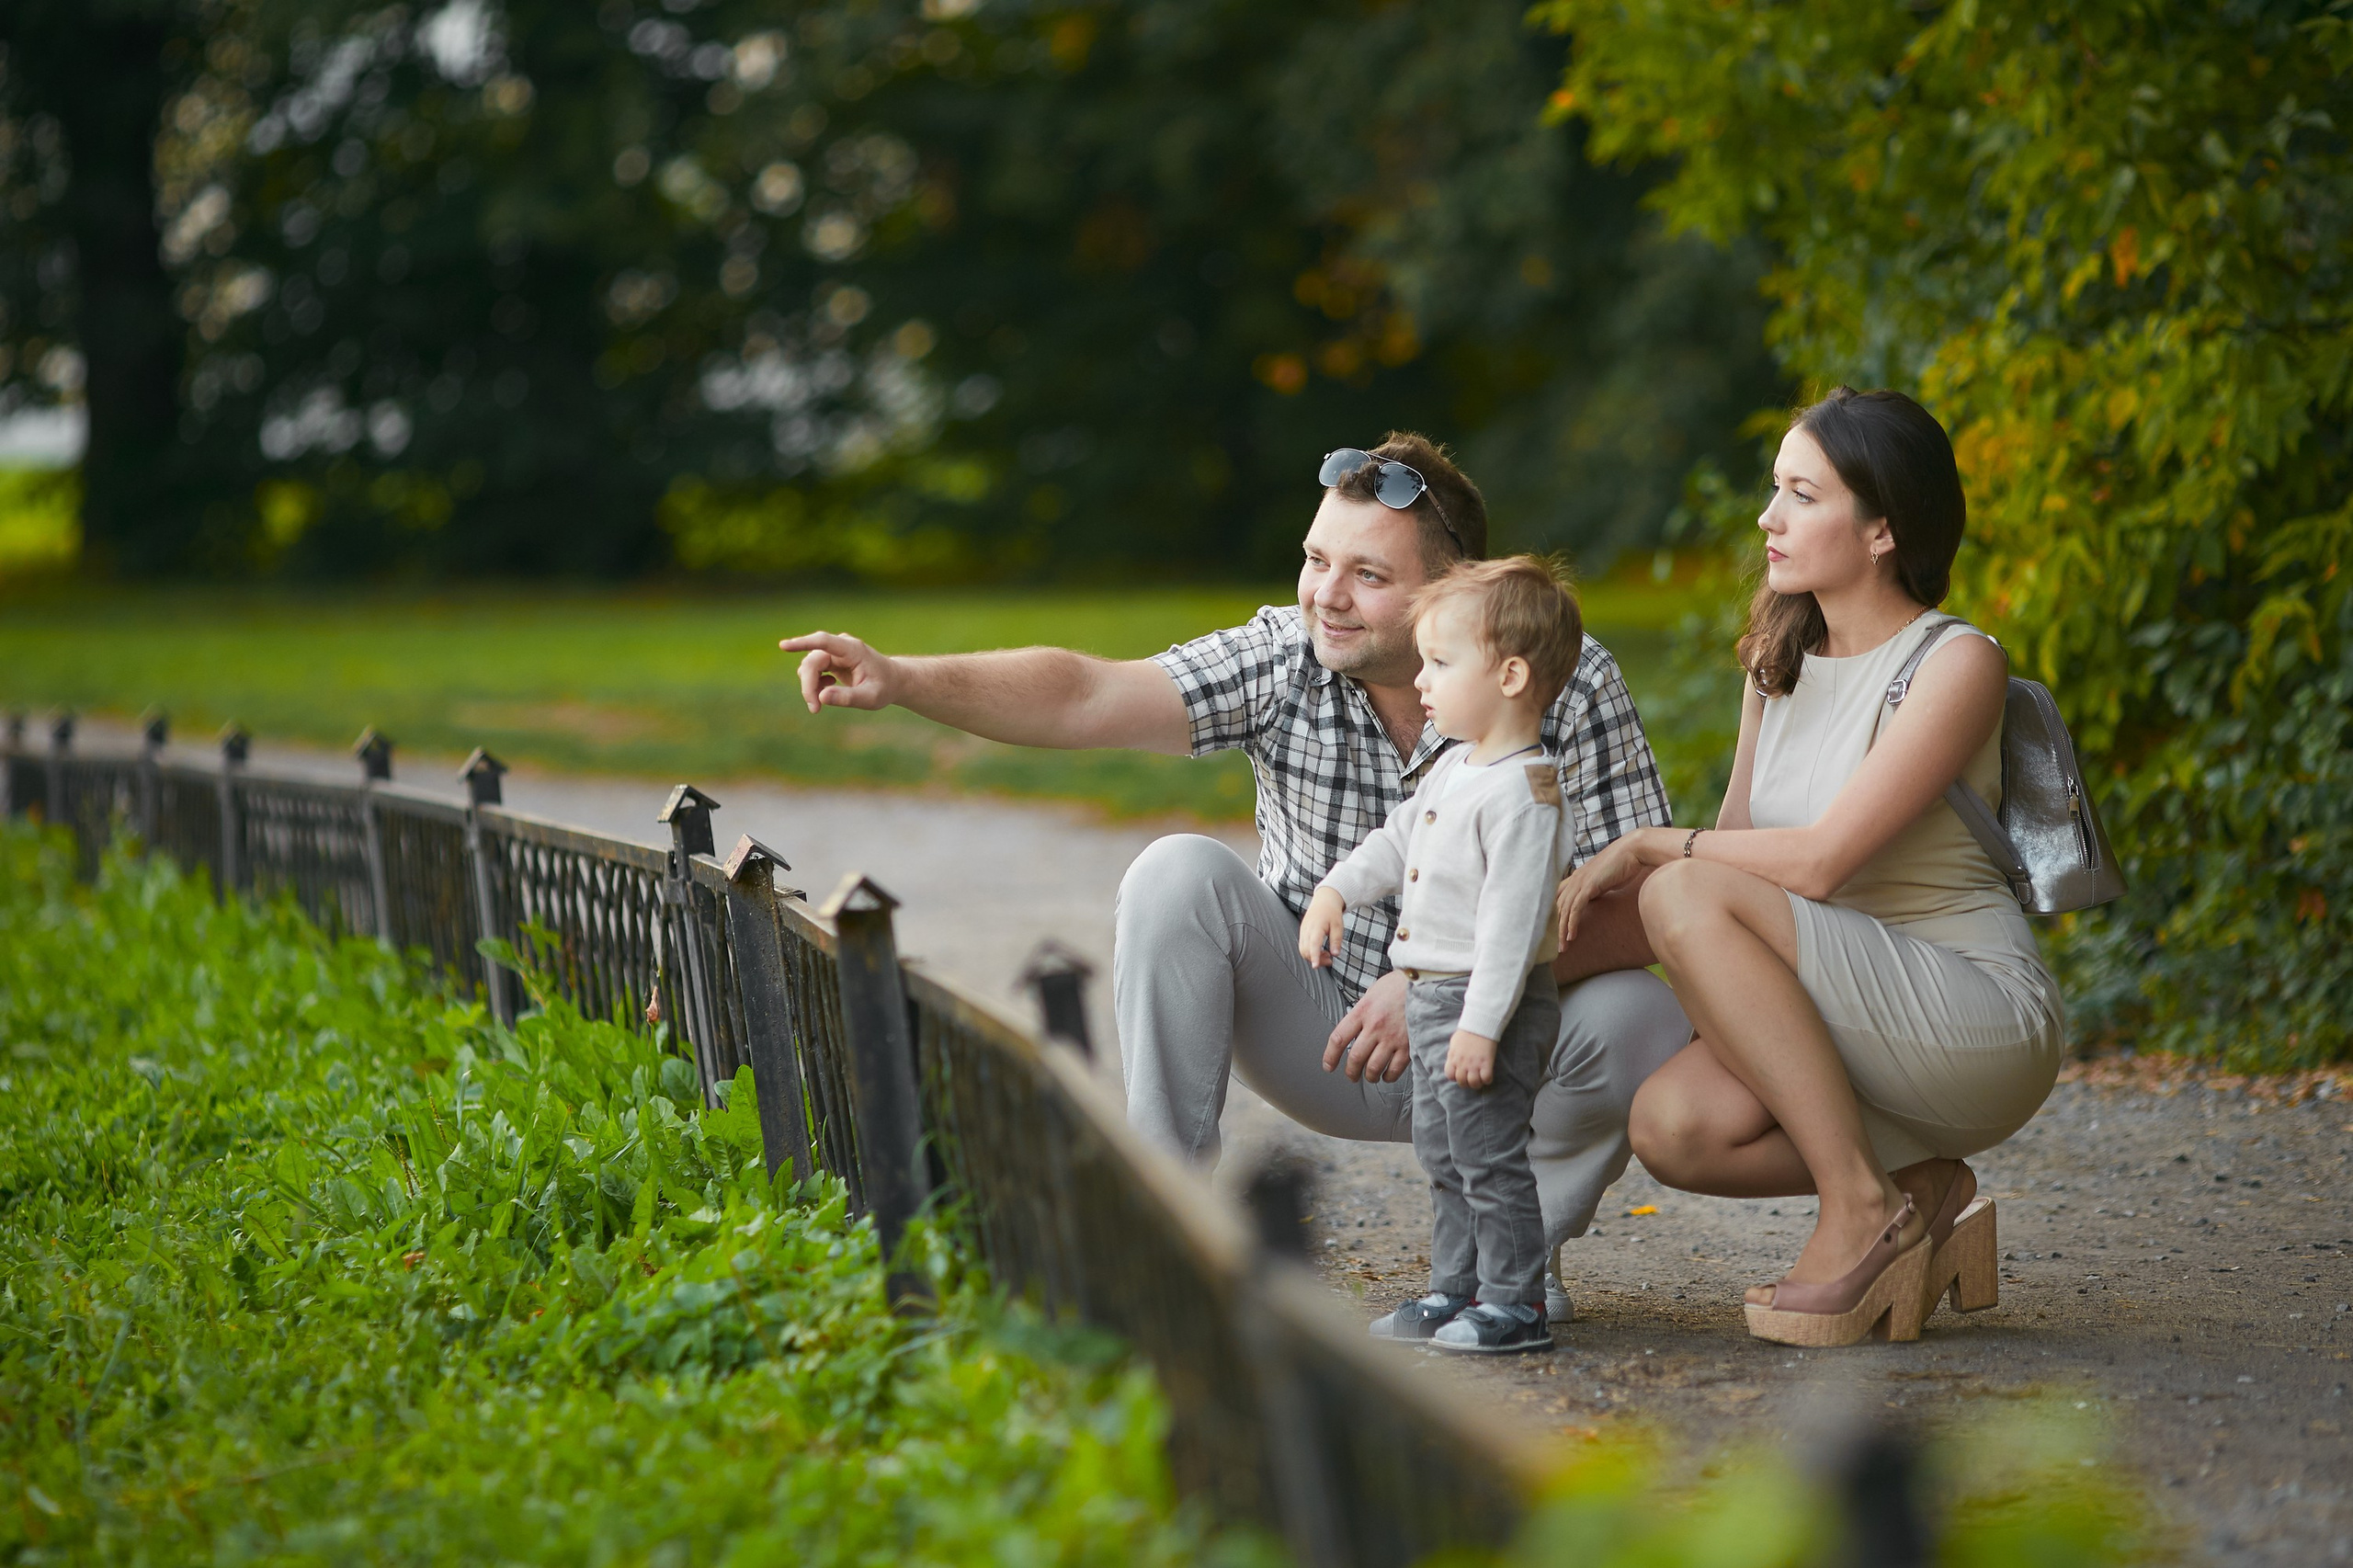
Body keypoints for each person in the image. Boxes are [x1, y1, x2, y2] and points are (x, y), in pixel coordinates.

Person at [779, 433, 1691, 1320]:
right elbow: (1083, 691)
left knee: (1640, 1016)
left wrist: (1432, 981)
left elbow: (1647, 903)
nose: (1325, 597)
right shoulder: (1283, 656)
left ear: (1451, 591)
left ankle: (1512, 1266)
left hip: (1493, 1036)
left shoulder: (1566, 680)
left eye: (1366, 575)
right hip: (1327, 1031)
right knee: (1175, 872)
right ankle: (1163, 1235)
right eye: (1315, 559)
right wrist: (899, 676)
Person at [1553, 387, 2065, 1347]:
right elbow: (1738, 866)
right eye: (1772, 489)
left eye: (1800, 493)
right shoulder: (1774, 661)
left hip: (1967, 1011)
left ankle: (1858, 1205)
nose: (1766, 517)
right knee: (1672, 1124)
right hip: (1841, 1000)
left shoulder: (1954, 662)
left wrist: (1648, 844)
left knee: (1675, 879)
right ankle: (1918, 1189)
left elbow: (1819, 863)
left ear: (1881, 529)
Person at [1303, 556, 1580, 1354]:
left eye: (1440, 662)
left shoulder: (1525, 795)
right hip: (1432, 999)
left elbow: (1512, 927)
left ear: (1511, 674)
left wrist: (1482, 1027)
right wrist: (1337, 892)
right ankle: (1455, 1289)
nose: (1420, 679)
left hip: (1481, 1003)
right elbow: (1397, 840)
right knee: (1445, 1152)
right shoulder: (1458, 764)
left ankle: (1514, 1302)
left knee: (1490, 1157)